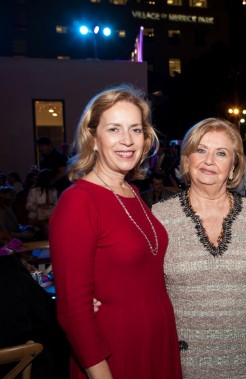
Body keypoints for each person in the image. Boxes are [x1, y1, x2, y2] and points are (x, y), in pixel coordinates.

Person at [49, 83, 182, 379]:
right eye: (114, 129)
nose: (127, 140)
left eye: (135, 129)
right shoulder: (78, 201)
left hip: (155, 345)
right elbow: (73, 310)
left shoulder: (132, 191)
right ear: (93, 137)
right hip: (114, 354)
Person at [151, 117, 246, 378]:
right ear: (187, 159)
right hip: (181, 363)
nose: (209, 161)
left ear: (235, 164)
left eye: (221, 153)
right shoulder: (159, 217)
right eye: (200, 150)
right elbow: (139, 284)